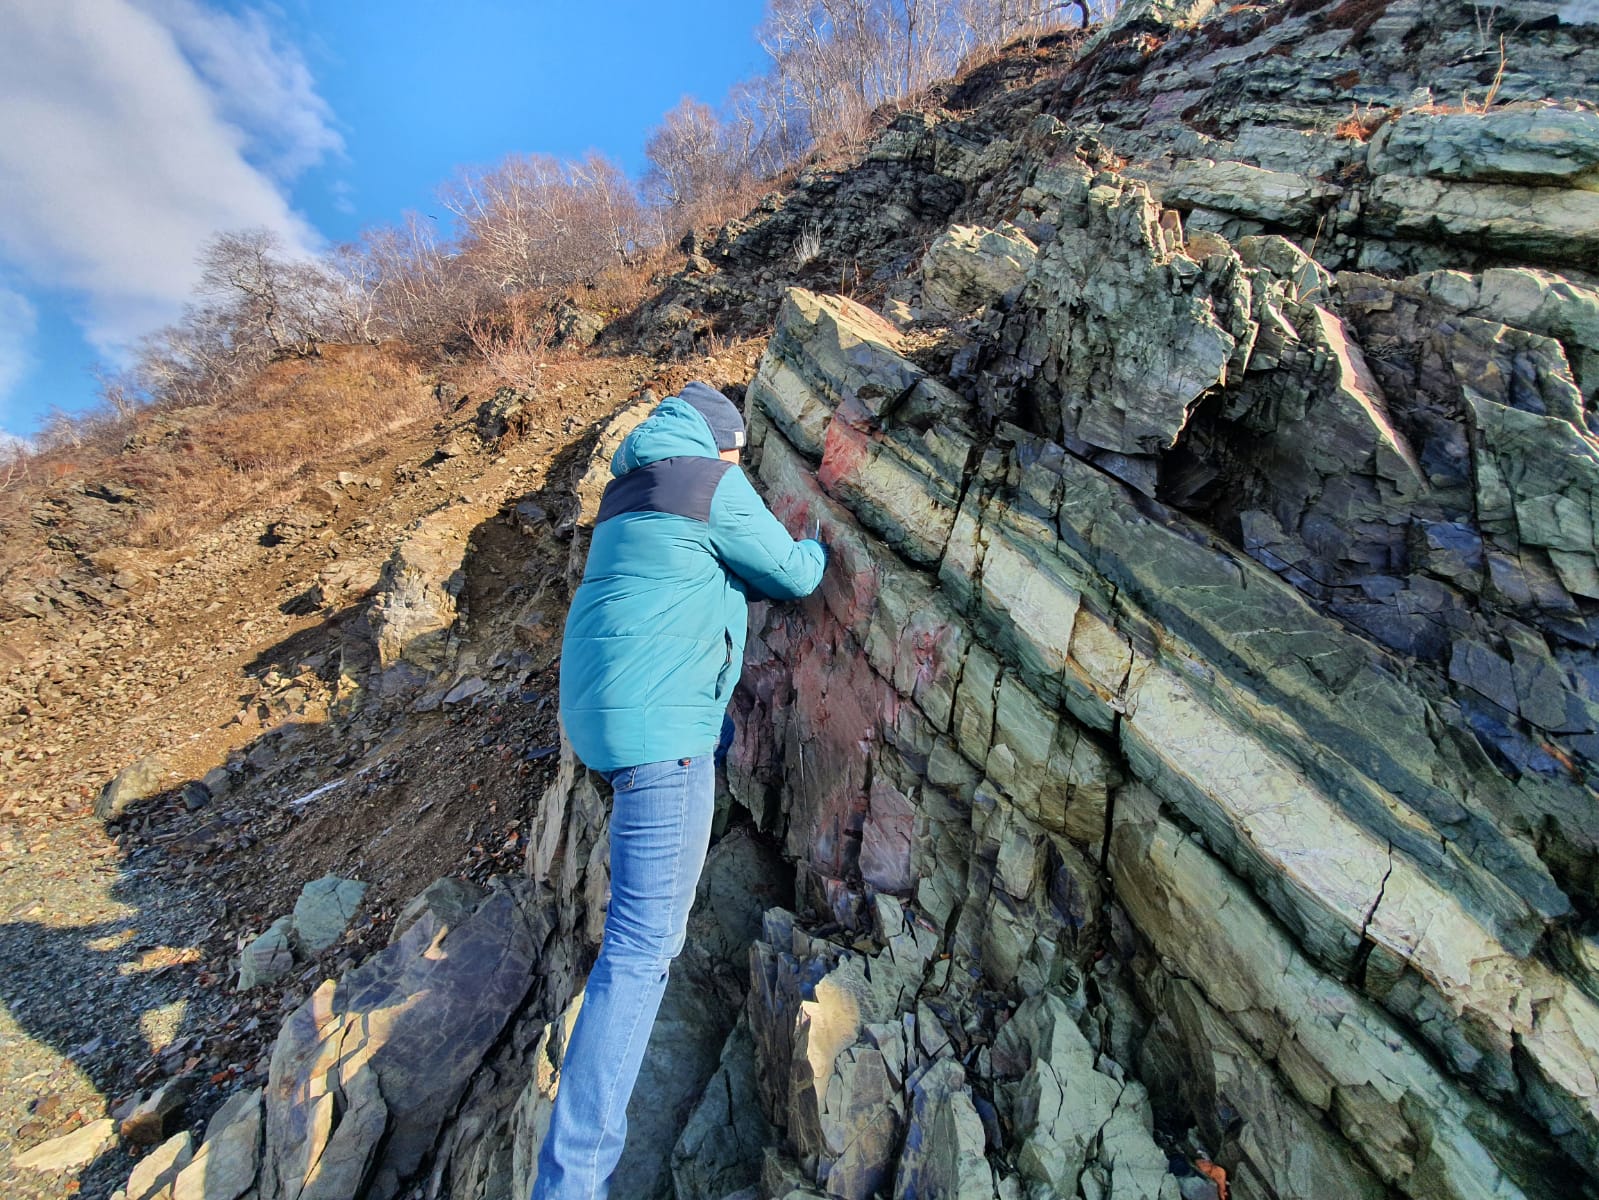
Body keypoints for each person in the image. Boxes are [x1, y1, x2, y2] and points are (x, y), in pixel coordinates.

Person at [532, 381, 827, 1200]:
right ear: (721, 443)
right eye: (737, 450)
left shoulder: (628, 487)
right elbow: (794, 575)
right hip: (660, 740)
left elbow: (681, 574)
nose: (739, 461)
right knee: (639, 951)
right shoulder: (713, 481)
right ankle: (572, 1182)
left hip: (598, 723)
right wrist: (822, 541)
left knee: (711, 748)